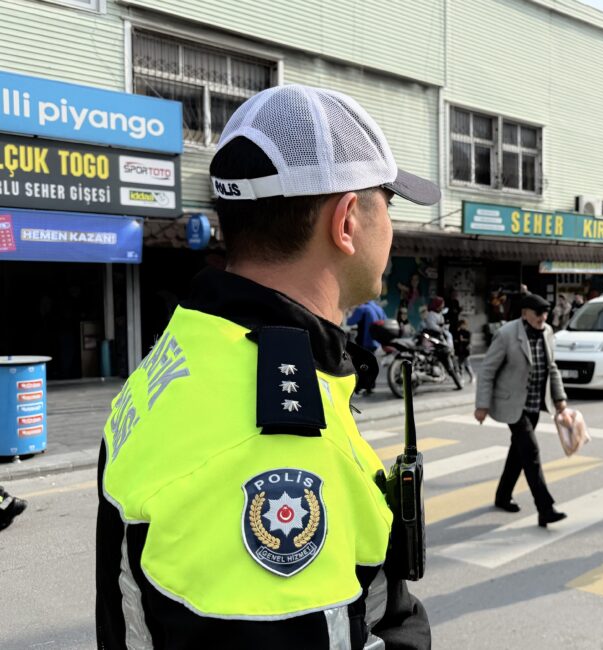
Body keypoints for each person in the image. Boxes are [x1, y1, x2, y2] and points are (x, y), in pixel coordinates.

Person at [95, 85, 438, 648]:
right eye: (389, 205)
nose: (393, 229)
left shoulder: (194, 344)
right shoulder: (274, 446)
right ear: (347, 221)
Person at [474, 293, 568, 527]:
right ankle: (545, 508)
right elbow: (487, 370)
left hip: (535, 403)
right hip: (512, 403)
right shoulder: (506, 334)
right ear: (525, 313)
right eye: (538, 314)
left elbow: (552, 367)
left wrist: (560, 400)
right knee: (531, 452)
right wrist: (482, 405)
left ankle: (502, 496)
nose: (543, 318)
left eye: (545, 314)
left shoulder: (547, 332)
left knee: (519, 453)